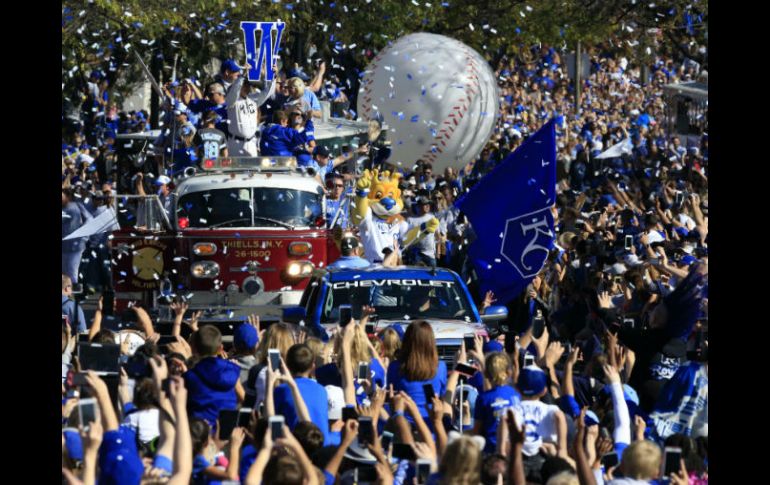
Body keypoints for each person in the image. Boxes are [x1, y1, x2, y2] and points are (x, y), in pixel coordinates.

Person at [386, 320, 447, 421]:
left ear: (406, 341)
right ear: (431, 342)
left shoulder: (394, 367)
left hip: (404, 424)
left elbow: (392, 397)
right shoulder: (441, 367)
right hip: (431, 425)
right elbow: (443, 397)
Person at [183, 325, 242, 427]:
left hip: (200, 432)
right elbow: (243, 397)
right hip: (227, 431)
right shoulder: (232, 370)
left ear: (193, 349)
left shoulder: (189, 376)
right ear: (220, 349)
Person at [272, 343, 331, 444]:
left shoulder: (281, 390)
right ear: (313, 366)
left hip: (298, 447)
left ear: (287, 365)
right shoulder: (322, 390)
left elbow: (272, 420)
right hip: (323, 445)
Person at [472, 352, 521, 453]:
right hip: (514, 448)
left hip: (491, 449)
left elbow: (477, 430)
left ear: (486, 374)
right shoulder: (517, 394)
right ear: (509, 372)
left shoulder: (483, 398)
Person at [225, 64, 276, 157]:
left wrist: (272, 76)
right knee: (236, 171)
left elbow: (267, 93)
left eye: (248, 85)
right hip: (236, 143)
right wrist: (242, 76)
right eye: (245, 85)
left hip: (251, 143)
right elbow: (234, 90)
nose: (247, 87)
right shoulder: (232, 101)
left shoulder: (252, 100)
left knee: (253, 171)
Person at [62, 188, 93, 283]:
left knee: (72, 273)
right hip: (63, 247)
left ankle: (70, 296)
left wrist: (83, 237)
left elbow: (90, 220)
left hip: (75, 247)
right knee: (63, 275)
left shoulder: (78, 206)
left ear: (68, 197)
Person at [406, 195, 439, 267]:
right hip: (415, 255)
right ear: (418, 206)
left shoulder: (432, 217)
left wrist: (437, 251)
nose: (427, 206)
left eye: (428, 204)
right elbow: (406, 238)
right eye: (425, 204)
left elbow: (437, 235)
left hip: (430, 255)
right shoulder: (410, 220)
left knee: (432, 277)